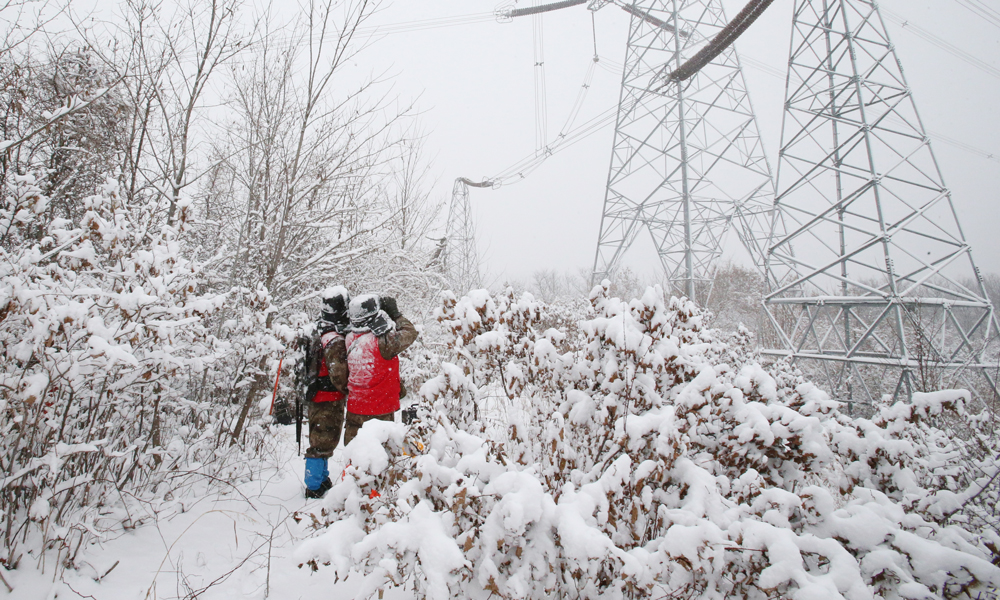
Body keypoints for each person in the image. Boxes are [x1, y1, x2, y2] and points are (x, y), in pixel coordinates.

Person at [343, 294, 418, 445]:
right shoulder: (383, 341)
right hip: (380, 411)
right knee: (379, 455)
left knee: (354, 454)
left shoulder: (349, 338)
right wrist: (395, 314)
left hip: (355, 409)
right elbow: (410, 333)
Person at [303, 287, 350, 499]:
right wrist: (349, 389)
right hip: (328, 397)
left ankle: (321, 478)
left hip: (314, 394)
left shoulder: (316, 329)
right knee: (323, 442)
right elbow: (338, 373)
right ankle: (314, 486)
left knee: (319, 439)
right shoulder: (334, 337)